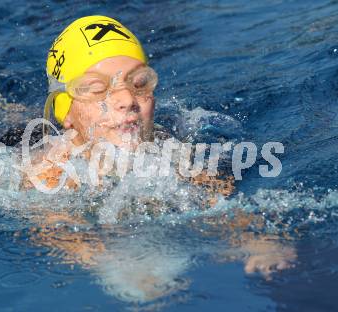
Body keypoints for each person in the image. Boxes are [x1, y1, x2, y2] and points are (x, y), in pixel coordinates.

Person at [23, 15, 297, 302]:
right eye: (97, 89)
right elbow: (59, 234)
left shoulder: (171, 151)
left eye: (139, 83)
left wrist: (257, 239)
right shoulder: (49, 172)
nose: (127, 99)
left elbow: (216, 200)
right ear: (65, 111)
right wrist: (128, 267)